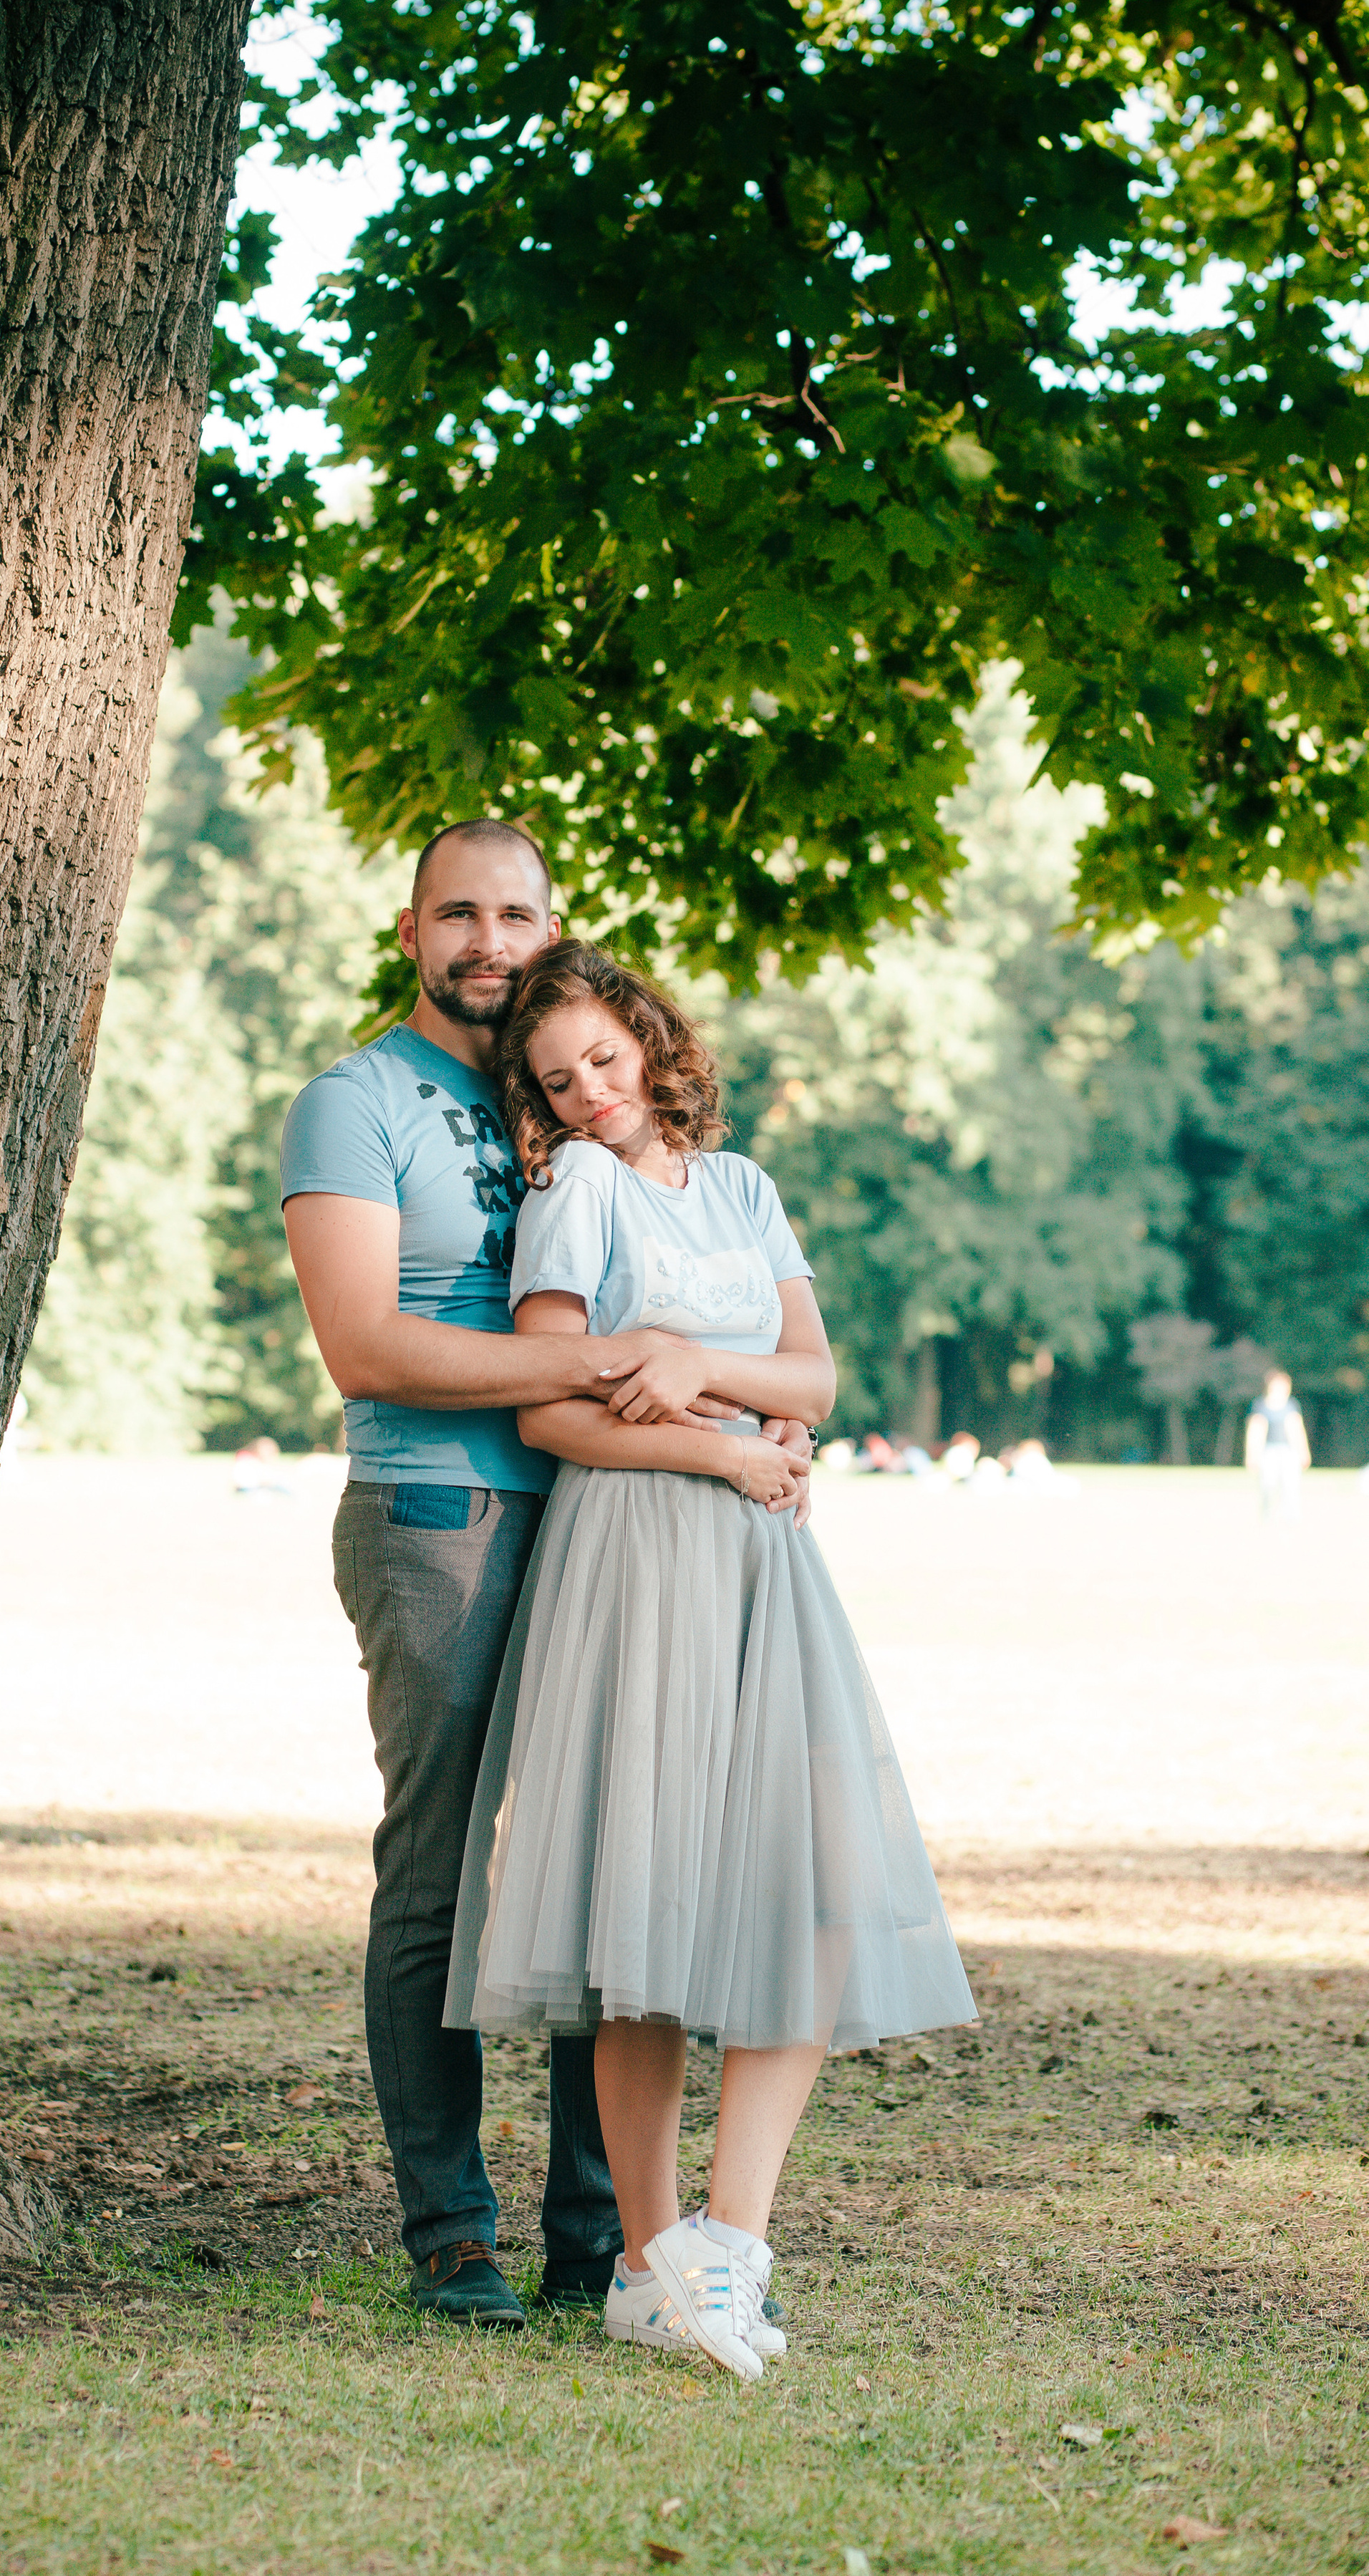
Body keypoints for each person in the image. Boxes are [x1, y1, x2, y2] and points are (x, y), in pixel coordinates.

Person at [280, 825, 813, 2330]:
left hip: (610, 1519)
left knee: (609, 1873)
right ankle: (451, 2229)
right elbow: (366, 1345)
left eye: (514, 913)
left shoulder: (572, 1102)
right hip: (441, 1514)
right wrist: (624, 1367)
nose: (486, 940)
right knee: (442, 1876)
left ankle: (609, 2237)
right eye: (458, 912)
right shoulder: (357, 1105)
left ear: (552, 931)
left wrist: (726, 1395)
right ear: (410, 931)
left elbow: (715, 1286)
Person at [445, 941, 977, 2380]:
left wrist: (692, 1358)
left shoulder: (740, 1191)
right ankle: (637, 2260)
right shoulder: (573, 1194)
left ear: (645, 1033)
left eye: (602, 1060)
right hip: (637, 1552)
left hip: (761, 1570)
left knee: (799, 1887)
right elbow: (554, 1413)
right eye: (554, 1081)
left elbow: (811, 1379)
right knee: (648, 1918)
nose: (586, 1092)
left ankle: (727, 2249)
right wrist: (711, 1448)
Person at [1246, 1369, 1310, 1520]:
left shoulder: (1291, 1406)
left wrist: (1303, 1452)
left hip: (1288, 1452)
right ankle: (1266, 1516)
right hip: (1269, 1452)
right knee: (1267, 1485)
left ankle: (1291, 1517)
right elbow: (1255, 1432)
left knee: (1291, 1486)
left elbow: (1297, 1430)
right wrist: (1252, 1455)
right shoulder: (1260, 1406)